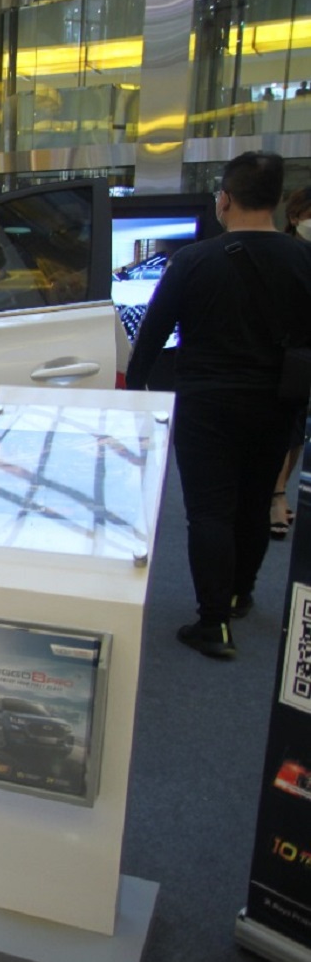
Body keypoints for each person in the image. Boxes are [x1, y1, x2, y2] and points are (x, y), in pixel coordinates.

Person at [126, 151, 311, 660]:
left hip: (205, 402)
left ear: (224, 199)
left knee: (209, 510)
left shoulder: (193, 261)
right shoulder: (304, 260)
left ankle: (213, 623)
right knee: (254, 501)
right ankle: (240, 594)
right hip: (277, 400)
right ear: (278, 201)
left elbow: (151, 335)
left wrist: (136, 391)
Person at [271, 185, 311, 540]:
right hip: (285, 353)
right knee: (286, 426)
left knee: (299, 429)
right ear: (296, 217)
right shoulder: (285, 253)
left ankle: (280, 490)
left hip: (305, 353)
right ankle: (277, 495)